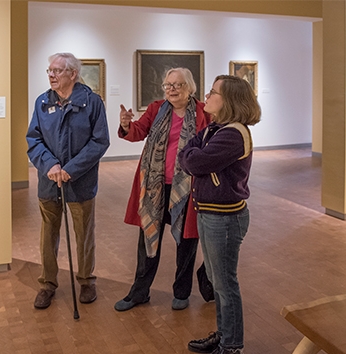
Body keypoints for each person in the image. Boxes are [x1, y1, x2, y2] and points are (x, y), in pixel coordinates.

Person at [178, 75, 261, 354]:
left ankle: (232, 347)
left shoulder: (233, 134)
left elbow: (194, 162)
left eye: (213, 92)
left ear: (229, 101)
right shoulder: (215, 128)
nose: (207, 97)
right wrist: (192, 154)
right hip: (210, 213)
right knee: (216, 279)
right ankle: (224, 335)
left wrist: (192, 156)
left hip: (224, 218)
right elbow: (188, 152)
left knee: (225, 284)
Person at [114, 68, 211, 312]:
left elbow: (212, 142)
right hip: (156, 186)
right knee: (148, 238)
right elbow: (138, 132)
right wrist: (126, 125)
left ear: (189, 87)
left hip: (188, 186)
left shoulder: (202, 112)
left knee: (187, 243)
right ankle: (139, 292)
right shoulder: (156, 109)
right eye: (168, 85)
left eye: (177, 85)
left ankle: (181, 292)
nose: (172, 89)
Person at [26, 52, 110, 309]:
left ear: (72, 74)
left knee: (84, 233)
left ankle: (86, 281)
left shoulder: (92, 102)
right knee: (48, 234)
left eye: (58, 71)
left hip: (79, 181)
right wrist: (50, 164)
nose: (51, 75)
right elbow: (33, 139)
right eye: (49, 70)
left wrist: (71, 169)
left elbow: (99, 141)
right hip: (49, 181)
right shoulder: (42, 102)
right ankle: (47, 284)